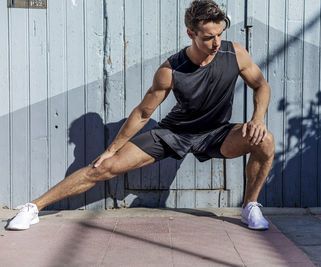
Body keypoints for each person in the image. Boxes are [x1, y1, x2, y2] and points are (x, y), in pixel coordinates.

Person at [6, 0, 274, 231]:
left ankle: (250, 206)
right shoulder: (171, 69)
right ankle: (33, 207)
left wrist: (258, 118)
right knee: (103, 167)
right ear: (190, 33)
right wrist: (112, 149)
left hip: (217, 133)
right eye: (207, 37)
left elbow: (260, 85)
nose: (215, 42)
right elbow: (144, 113)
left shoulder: (235, 52)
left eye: (219, 34)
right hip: (174, 133)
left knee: (265, 140)